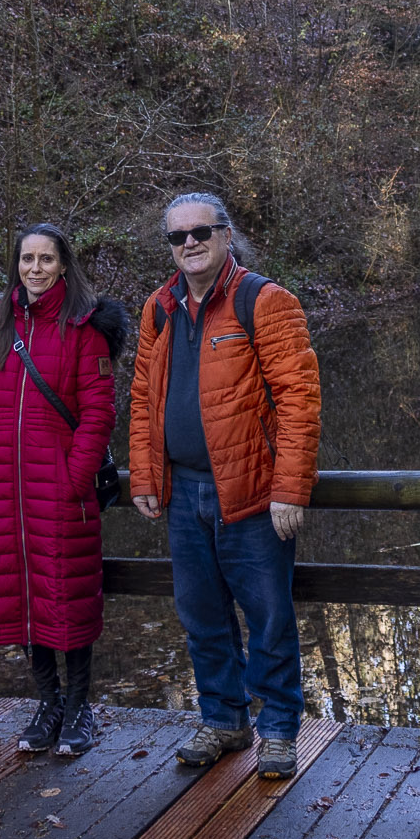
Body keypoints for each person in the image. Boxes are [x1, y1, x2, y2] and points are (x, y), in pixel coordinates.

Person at [128, 193, 322, 780]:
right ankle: (223, 720)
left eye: (201, 232)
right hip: (183, 493)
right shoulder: (159, 309)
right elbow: (143, 399)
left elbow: (299, 399)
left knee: (268, 618)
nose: (189, 243)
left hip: (252, 493)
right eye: (177, 236)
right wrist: (145, 474)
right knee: (202, 617)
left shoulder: (264, 301)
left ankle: (279, 729)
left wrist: (290, 488)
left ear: (226, 235)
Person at [0, 223, 128, 756]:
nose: (35, 268)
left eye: (46, 259)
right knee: (22, 597)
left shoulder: (84, 326)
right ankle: (49, 701)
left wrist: (74, 478)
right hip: (2, 490)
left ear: (63, 265)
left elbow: (98, 412)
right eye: (27, 259)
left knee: (67, 597)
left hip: (60, 492)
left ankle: (79, 707)